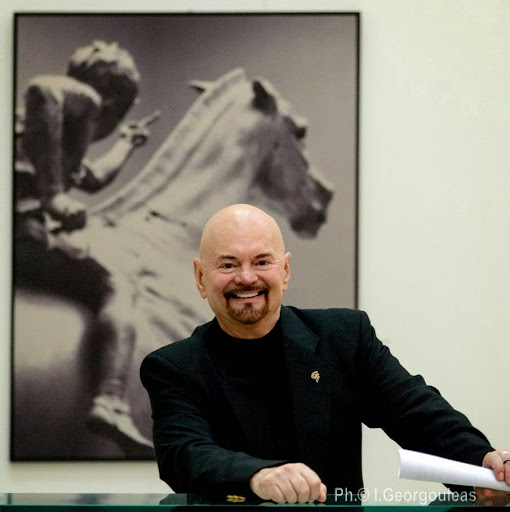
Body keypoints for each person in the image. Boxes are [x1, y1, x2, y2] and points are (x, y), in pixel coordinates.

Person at [140, 204, 510, 503]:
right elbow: (184, 455)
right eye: (228, 265)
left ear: (285, 271)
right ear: (201, 278)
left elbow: (417, 414)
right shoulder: (173, 367)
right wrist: (259, 476)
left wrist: (482, 462)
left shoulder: (344, 338)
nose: (247, 278)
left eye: (262, 262)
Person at [15, 40, 158, 455]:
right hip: (21, 231)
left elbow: (90, 177)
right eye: (121, 118)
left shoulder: (48, 137)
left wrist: (126, 143)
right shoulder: (88, 101)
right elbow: (42, 89)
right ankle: (112, 399)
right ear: (113, 100)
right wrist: (54, 197)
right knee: (117, 285)